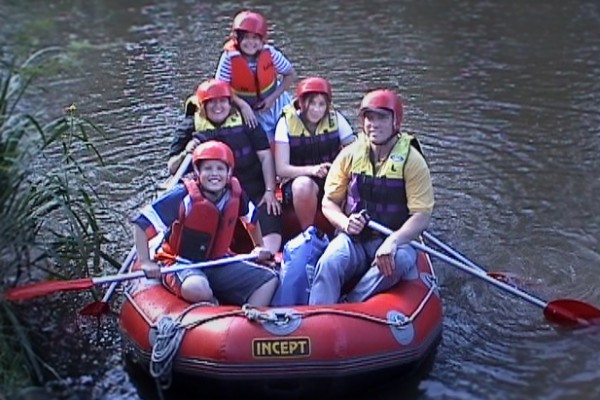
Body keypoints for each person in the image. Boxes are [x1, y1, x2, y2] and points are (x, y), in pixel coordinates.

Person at [308, 89, 434, 305]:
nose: (374, 124)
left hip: (392, 240)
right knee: (330, 261)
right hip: (355, 239)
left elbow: (421, 215)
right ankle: (320, 316)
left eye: (382, 117)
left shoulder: (412, 161)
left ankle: (353, 304)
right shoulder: (350, 154)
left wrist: (393, 241)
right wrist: (346, 223)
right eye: (369, 117)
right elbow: (328, 203)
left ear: (396, 121)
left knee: (400, 259)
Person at [133, 141, 279, 306]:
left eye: (220, 169)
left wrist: (258, 246)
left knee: (269, 280)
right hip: (179, 263)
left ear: (229, 172)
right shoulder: (182, 196)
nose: (214, 174)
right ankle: (214, 305)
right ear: (197, 171)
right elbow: (141, 223)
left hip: (218, 261)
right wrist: (145, 261)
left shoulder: (236, 194)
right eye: (208, 168)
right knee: (198, 289)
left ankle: (251, 317)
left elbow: (251, 220)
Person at [167, 78, 282, 253]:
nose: (218, 107)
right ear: (202, 107)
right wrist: (186, 152)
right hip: (209, 193)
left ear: (230, 104)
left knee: (269, 210)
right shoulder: (190, 126)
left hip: (251, 187)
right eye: (211, 103)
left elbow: (266, 156)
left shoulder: (246, 120)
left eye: (222, 101)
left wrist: (269, 191)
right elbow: (172, 168)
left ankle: (268, 254)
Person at [273, 77, 356, 230]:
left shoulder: (336, 119)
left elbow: (355, 153)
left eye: (321, 104)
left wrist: (339, 169)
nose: (316, 109)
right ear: (302, 103)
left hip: (332, 178)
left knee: (355, 181)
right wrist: (313, 170)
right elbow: (281, 168)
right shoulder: (286, 123)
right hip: (297, 181)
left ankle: (344, 229)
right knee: (303, 185)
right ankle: (309, 233)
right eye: (311, 103)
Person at [215, 10, 296, 143]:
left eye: (255, 38)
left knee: (289, 135)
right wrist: (242, 105)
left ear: (262, 39)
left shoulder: (270, 53)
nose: (250, 43)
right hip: (250, 110)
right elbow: (221, 88)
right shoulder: (229, 58)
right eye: (246, 37)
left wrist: (272, 98)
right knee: (265, 141)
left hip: (275, 103)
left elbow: (290, 74)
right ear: (237, 38)